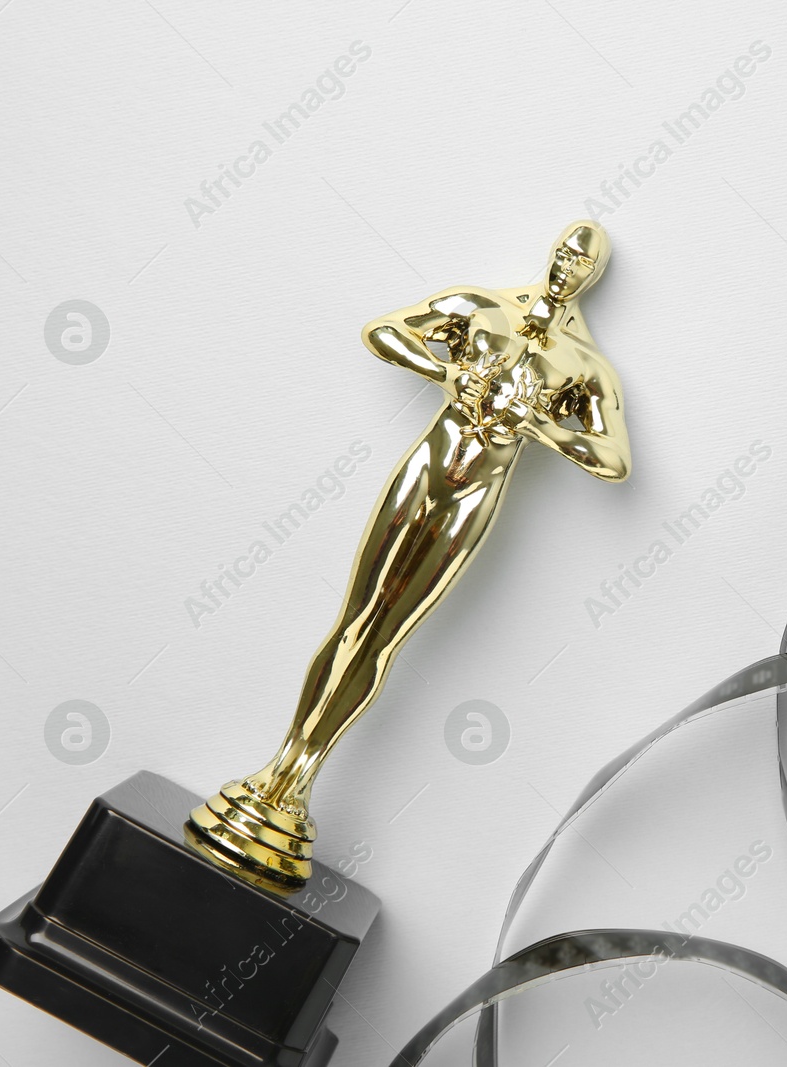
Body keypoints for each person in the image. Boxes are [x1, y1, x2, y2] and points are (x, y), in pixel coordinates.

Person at [190, 222, 631, 881]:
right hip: (424, 472)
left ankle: (300, 784)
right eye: (567, 251)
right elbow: (385, 332)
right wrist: (456, 372)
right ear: (553, 253)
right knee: (354, 619)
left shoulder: (581, 366)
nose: (571, 266)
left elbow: (613, 460)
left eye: (584, 260)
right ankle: (275, 770)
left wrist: (534, 421)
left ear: (593, 274)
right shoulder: (484, 310)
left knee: (384, 638)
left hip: (472, 496)